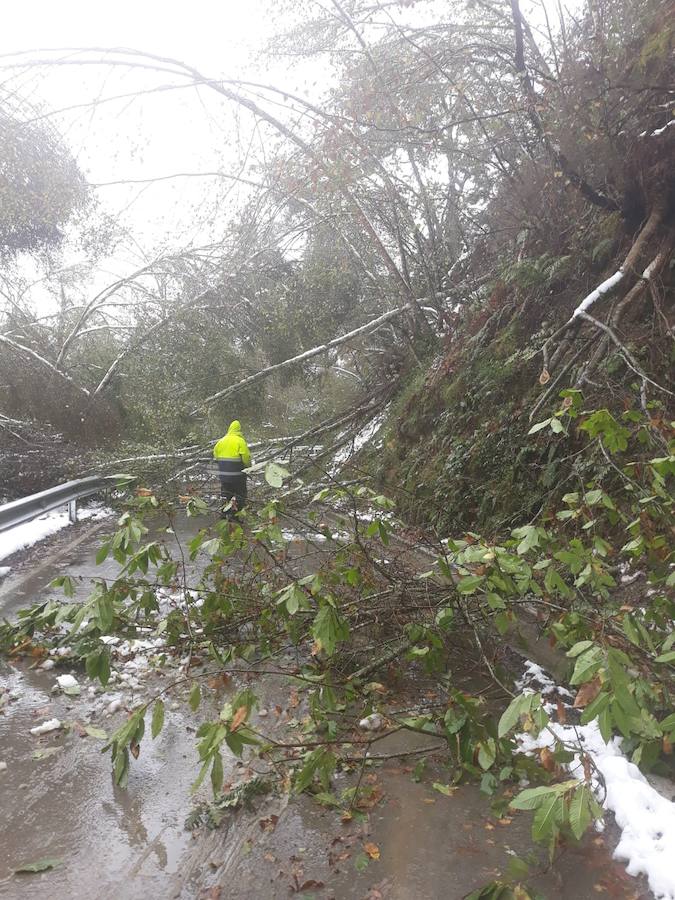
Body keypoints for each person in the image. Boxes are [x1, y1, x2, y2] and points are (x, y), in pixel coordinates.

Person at [213, 420, 252, 517]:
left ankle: (224, 515)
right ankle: (236, 515)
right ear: (239, 430)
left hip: (224, 476)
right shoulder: (240, 441)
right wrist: (248, 467)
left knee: (226, 494)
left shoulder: (221, 441)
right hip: (237, 475)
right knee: (240, 494)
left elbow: (215, 455)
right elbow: (246, 457)